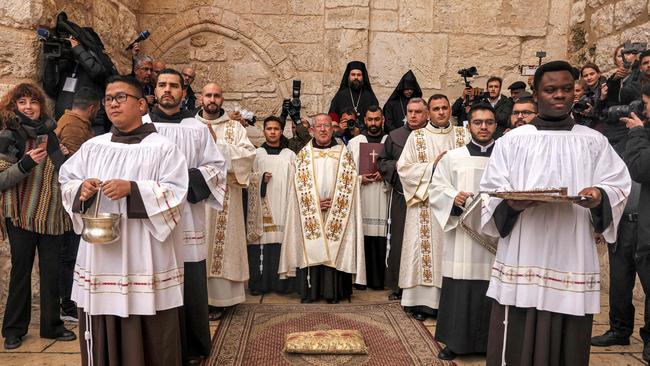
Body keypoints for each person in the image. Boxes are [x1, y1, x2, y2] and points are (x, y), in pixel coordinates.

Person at [480, 61, 631, 366]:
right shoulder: (513, 141)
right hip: (525, 246)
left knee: (568, 334)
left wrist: (599, 196)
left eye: (566, 89)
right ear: (536, 94)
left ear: (575, 93)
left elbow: (618, 184)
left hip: (571, 248)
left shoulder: (593, 141)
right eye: (550, 89)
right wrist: (512, 203)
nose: (559, 95)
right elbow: (491, 189)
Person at [59, 75, 188, 365]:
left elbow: (177, 192)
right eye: (108, 99)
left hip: (144, 252)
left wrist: (133, 189)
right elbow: (66, 179)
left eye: (121, 98)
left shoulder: (162, 147)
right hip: (100, 252)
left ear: (141, 104)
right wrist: (83, 189)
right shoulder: (95, 146)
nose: (113, 104)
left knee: (147, 318)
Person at [143, 69, 227, 365]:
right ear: (154, 90)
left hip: (189, 216)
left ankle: (192, 347)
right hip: (151, 219)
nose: (168, 90)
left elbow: (217, 166)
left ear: (183, 91)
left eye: (174, 86)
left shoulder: (197, 127)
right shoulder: (142, 126)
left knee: (189, 283)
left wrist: (185, 182)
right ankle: (157, 348)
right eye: (162, 85)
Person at [0, 83, 75, 350]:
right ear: (14, 106)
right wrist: (26, 163)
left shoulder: (50, 134)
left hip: (52, 214)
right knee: (21, 270)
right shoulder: (8, 135)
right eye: (22, 102)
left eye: (33, 101)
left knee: (52, 271)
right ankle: (13, 330)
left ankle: (52, 326)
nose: (29, 107)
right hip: (21, 213)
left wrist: (66, 158)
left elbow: (61, 172)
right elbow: (1, 179)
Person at [429, 103, 498, 360]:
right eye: (478, 122)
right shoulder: (453, 157)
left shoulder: (506, 156)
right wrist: (453, 197)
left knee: (492, 286)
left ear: (495, 125)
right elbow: (437, 189)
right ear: (468, 126)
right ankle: (455, 343)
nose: (483, 127)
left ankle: (491, 345)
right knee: (460, 287)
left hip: (496, 237)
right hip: (462, 237)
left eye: (489, 122)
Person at [279, 113, 365, 303]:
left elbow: (351, 182)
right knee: (312, 246)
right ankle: (310, 292)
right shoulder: (303, 155)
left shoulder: (343, 153)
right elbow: (295, 186)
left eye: (327, 125)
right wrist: (313, 202)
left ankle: (333, 293)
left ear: (332, 128)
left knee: (334, 249)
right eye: (319, 126)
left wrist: (335, 202)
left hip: (336, 211)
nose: (324, 129)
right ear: (312, 130)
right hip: (310, 210)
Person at [396, 97, 470, 321]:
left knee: (450, 252)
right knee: (426, 252)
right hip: (424, 207)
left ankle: (450, 303)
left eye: (444, 108)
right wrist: (432, 166)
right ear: (428, 113)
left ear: (450, 110)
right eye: (436, 109)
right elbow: (404, 169)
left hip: (455, 206)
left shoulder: (462, 135)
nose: (440, 112)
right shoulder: (417, 137)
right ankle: (421, 303)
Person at [195, 82, 256, 319]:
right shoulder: (188, 126)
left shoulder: (235, 128)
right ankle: (196, 300)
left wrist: (217, 144)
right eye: (208, 95)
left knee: (221, 246)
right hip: (196, 199)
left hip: (225, 199)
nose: (212, 99)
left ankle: (221, 300)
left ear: (222, 99)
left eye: (217, 95)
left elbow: (247, 157)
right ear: (201, 98)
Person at [54, 87, 100, 322]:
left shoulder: (74, 122)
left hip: (76, 198)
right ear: (92, 108)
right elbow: (72, 166)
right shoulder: (73, 126)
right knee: (68, 253)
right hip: (69, 201)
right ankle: (67, 304)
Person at [377, 98, 429, 301]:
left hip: (426, 199)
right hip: (402, 199)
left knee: (422, 242)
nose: (413, 115)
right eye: (410, 111)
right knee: (399, 242)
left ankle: (421, 288)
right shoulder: (395, 136)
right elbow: (382, 160)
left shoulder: (430, 136)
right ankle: (398, 286)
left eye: (418, 112)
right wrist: (397, 166)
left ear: (426, 114)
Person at [617, 84, 650, 362]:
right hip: (628, 221)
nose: (644, 111)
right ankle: (620, 329)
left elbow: (640, 168)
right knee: (621, 279)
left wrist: (638, 133)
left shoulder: (640, 134)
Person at [246, 116, 297, 295]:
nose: (273, 132)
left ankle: (283, 285)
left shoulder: (290, 155)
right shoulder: (256, 154)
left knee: (281, 244)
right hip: (262, 208)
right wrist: (260, 179)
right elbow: (245, 179)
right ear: (264, 131)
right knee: (263, 245)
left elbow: (298, 181)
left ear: (282, 131)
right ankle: (260, 284)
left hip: (284, 208)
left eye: (276, 129)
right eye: (269, 129)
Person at [42, 18, 116, 135]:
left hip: (91, 126)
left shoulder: (100, 61)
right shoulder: (67, 64)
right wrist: (51, 60)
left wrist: (78, 49)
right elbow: (50, 88)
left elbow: (98, 73)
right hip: (64, 124)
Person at [347, 105, 389, 290]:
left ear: (383, 120)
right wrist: (359, 178)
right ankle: (360, 280)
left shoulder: (390, 141)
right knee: (362, 237)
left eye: (377, 119)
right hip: (362, 196)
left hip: (383, 195)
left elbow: (399, 167)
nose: (373, 123)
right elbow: (345, 173)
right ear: (364, 120)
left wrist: (386, 174)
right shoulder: (355, 143)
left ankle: (380, 280)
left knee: (381, 238)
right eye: (370, 119)